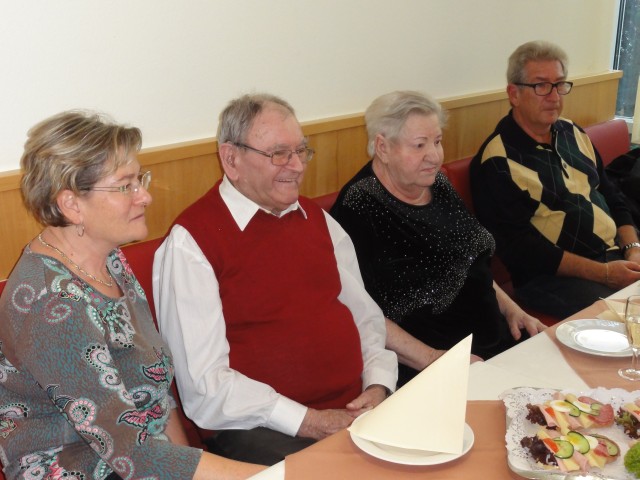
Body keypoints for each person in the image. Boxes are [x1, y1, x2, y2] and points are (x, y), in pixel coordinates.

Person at [0, 111, 264, 480]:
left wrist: (192, 459)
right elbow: (130, 453)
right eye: (125, 186)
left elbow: (156, 394)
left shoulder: (110, 260)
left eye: (140, 180)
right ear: (72, 205)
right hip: (76, 468)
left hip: (141, 456)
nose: (145, 196)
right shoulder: (54, 303)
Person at [152, 93, 397, 466]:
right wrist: (309, 420)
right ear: (231, 159)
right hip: (260, 429)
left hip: (355, 407)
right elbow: (205, 387)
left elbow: (366, 319)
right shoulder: (191, 242)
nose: (297, 166)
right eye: (279, 154)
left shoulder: (316, 219)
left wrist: (378, 384)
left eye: (301, 151)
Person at [329, 90, 546, 387]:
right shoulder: (359, 207)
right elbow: (361, 310)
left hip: (491, 345)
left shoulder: (436, 182)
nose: (434, 156)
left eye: (437, 141)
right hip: (431, 367)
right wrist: (436, 360)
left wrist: (512, 310)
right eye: (420, 145)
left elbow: (468, 260)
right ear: (383, 147)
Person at [470, 40, 640, 318]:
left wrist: (633, 248)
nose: (554, 96)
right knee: (628, 317)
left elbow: (612, 195)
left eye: (559, 84)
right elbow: (520, 250)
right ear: (514, 94)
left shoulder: (572, 132)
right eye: (541, 86)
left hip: (615, 254)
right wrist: (605, 273)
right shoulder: (497, 161)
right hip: (551, 279)